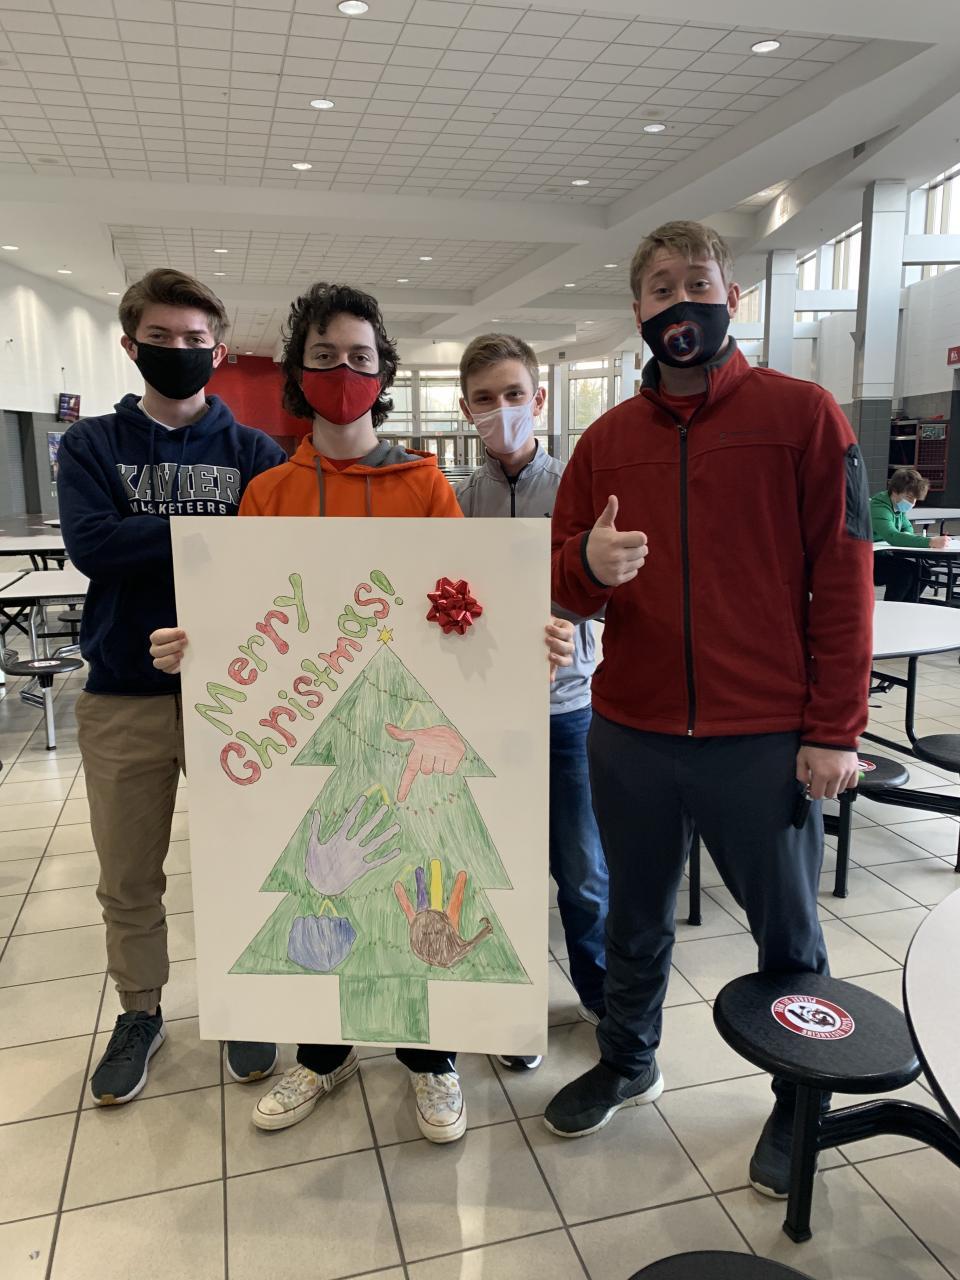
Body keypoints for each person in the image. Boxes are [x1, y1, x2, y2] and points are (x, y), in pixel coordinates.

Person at [150, 283, 573, 1144]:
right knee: (323, 882)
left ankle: (430, 1059)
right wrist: (197, 645)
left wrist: (535, 636)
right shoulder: (270, 492)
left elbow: (467, 604)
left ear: (384, 373)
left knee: (414, 884)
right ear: (298, 373)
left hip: (404, 734)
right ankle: (322, 1053)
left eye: (360, 357)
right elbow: (246, 615)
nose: (343, 371)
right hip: (306, 735)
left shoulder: (423, 484)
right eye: (324, 357)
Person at [547, 220, 874, 1199]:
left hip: (762, 737)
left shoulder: (805, 416)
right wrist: (587, 566)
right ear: (637, 311)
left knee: (788, 932)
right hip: (632, 733)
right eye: (660, 287)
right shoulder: (605, 442)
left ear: (733, 298)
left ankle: (800, 1094)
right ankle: (627, 1057)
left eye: (697, 282)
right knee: (633, 914)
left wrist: (835, 728)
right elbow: (561, 586)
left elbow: (844, 578)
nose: (679, 300)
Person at [57, 269, 287, 1106]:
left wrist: (149, 532)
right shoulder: (91, 445)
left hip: (238, 694)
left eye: (195, 340)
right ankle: (140, 1012)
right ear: (131, 345)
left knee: (248, 860)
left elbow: (275, 559)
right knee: (128, 874)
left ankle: (247, 998)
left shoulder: (256, 452)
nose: (179, 350)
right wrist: (213, 531)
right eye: (161, 338)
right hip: (124, 690)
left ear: (218, 351)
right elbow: (93, 546)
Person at [456, 333, 606, 1073]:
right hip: (483, 717)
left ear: (539, 399)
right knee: (495, 870)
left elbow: (619, 595)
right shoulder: (456, 502)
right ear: (466, 410)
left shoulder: (580, 491)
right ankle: (511, 1011)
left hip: (567, 710)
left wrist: (574, 624)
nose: (501, 410)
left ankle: (602, 998)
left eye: (514, 394)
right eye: (485, 399)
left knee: (582, 871)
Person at [870, 467, 948, 601]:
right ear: (895, 491)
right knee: (903, 574)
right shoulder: (879, 507)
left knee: (923, 573)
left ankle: (907, 606)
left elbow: (908, 529)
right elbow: (893, 536)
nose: (912, 503)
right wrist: (929, 542)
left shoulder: (897, 506)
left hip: (883, 556)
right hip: (866, 558)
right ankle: (893, 609)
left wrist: (905, 536)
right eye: (909, 497)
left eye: (915, 499)